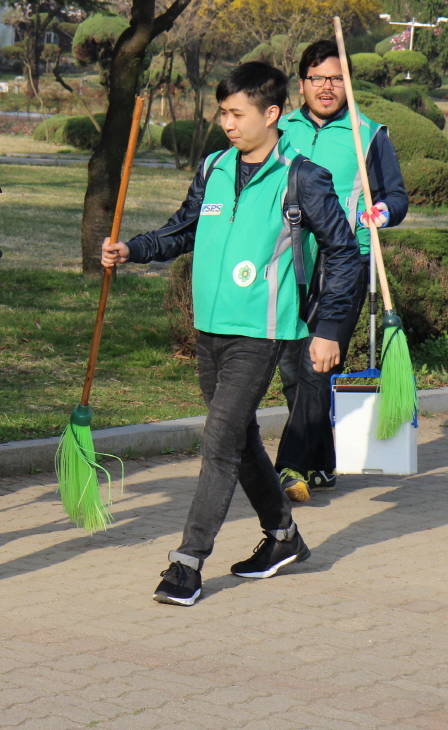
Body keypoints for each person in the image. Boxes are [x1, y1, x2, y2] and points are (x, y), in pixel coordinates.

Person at [103, 62, 360, 606]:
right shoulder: (214, 166)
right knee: (240, 440)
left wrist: (330, 327)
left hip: (261, 334)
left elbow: (342, 252)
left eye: (237, 113)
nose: (227, 123)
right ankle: (284, 538)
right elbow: (184, 227)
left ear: (272, 114)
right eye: (222, 112)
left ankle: (187, 563)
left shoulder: (303, 176)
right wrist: (133, 249)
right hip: (210, 330)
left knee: (218, 442)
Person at [274, 40, 408, 502]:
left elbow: (396, 196)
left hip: (345, 261)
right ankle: (324, 462)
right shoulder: (282, 128)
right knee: (294, 369)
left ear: (348, 82)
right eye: (317, 79)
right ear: (302, 83)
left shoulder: (367, 133)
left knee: (316, 362)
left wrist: (383, 214)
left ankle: (287, 466)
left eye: (336, 78)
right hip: (288, 259)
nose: (326, 87)